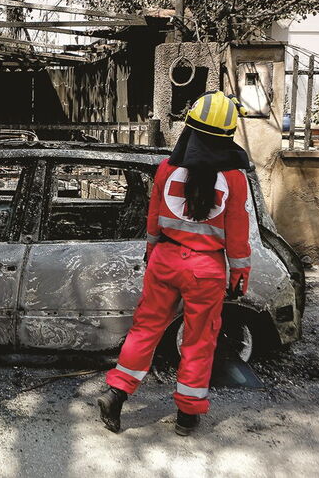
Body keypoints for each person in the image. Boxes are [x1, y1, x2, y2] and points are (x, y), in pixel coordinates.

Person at [98, 90, 251, 436]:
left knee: (145, 329)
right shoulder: (235, 180)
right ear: (228, 137)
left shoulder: (167, 169)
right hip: (206, 270)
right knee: (199, 339)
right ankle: (186, 415)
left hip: (165, 261)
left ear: (190, 129)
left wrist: (153, 253)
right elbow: (238, 235)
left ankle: (117, 393)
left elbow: (153, 221)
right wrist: (240, 272)